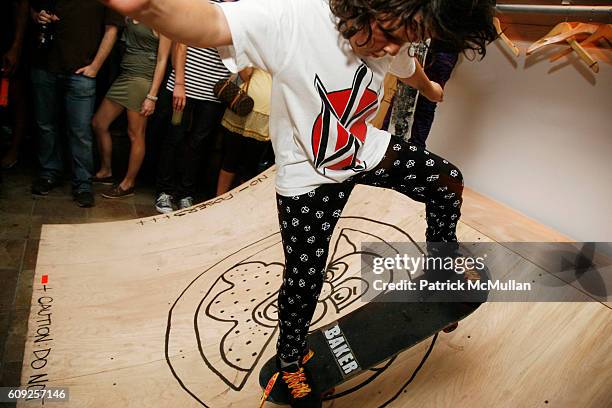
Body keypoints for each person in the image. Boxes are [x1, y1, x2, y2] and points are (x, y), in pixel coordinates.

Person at [101, 0, 496, 406]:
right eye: (391, 37)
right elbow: (210, 21)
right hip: (307, 175)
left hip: (364, 150)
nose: (393, 49)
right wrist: (149, 7)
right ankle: (291, 362)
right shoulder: (293, 18)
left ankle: (438, 268)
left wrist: (430, 87)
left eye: (408, 39)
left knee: (446, 181)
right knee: (305, 275)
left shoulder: (394, 32)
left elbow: (405, 65)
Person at [30, 0, 122, 207]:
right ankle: (49, 173)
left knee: (80, 131)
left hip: (82, 71)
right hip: (44, 65)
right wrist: (38, 16)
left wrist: (95, 67)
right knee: (45, 125)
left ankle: (82, 184)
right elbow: (32, 8)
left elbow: (112, 29)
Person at [92, 18, 171, 199]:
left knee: (135, 133)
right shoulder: (133, 8)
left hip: (142, 79)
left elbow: (162, 60)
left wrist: (152, 96)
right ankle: (106, 171)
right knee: (99, 123)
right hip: (126, 75)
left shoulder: (161, 18)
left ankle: (128, 183)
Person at [154, 41, 230, 213]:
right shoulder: (200, 13)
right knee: (174, 137)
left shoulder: (235, 20)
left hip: (214, 93)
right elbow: (181, 44)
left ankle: (185, 193)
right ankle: (165, 191)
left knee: (199, 143)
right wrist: (179, 84)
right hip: (184, 87)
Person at [216, 67, 272, 195]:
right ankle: (239, 205)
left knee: (231, 159)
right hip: (261, 107)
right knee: (249, 165)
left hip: (247, 103)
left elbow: (245, 74)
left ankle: (219, 200)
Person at [1, 0, 28, 171]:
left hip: (7, 40)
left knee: (16, 96)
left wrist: (16, 46)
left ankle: (14, 150)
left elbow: (22, 5)